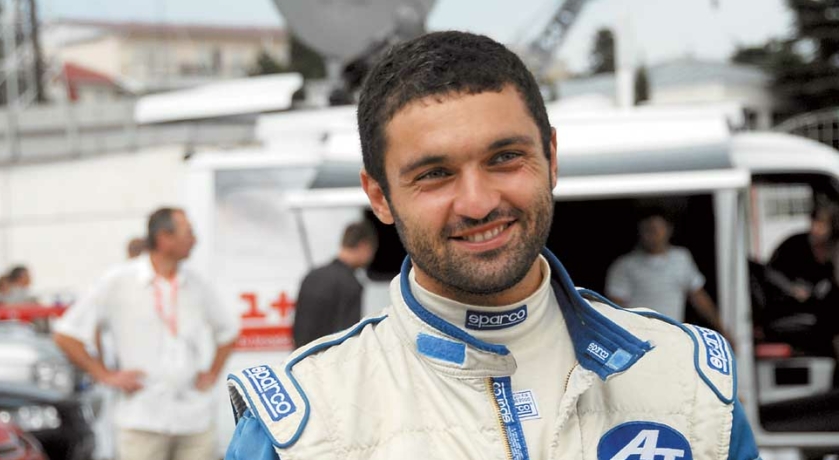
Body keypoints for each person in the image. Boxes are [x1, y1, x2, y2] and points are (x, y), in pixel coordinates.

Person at [225, 31, 759, 459]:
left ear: (551, 158)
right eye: (434, 174)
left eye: (504, 158)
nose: (478, 203)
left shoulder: (688, 378)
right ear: (380, 197)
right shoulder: (302, 423)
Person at [54, 207, 240, 460]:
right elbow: (65, 334)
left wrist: (212, 373)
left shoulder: (197, 284)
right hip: (141, 420)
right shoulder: (119, 281)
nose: (194, 240)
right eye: (188, 232)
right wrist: (104, 375)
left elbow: (228, 332)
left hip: (194, 419)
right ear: (164, 237)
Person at [605, 209, 731, 338]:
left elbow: (698, 297)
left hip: (673, 335)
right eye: (648, 230)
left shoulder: (681, 258)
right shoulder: (624, 265)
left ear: (669, 230)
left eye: (657, 229)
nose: (653, 234)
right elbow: (615, 308)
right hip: (638, 337)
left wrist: (722, 330)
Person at [767, 198, 839, 358]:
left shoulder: (834, 252)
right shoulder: (794, 245)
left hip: (824, 314)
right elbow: (770, 274)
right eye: (814, 222)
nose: (815, 229)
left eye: (822, 224)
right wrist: (791, 289)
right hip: (790, 310)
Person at [292, 221, 378, 348]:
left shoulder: (312, 275)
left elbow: (298, 327)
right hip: (330, 357)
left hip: (302, 355)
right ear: (364, 246)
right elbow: (348, 336)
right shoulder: (350, 283)